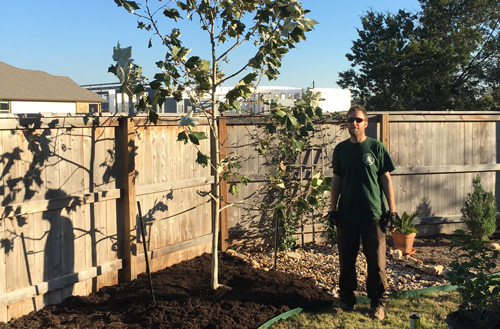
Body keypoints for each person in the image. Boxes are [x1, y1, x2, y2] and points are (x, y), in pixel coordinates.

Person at [330, 105, 397, 321]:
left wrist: (392, 210)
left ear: (366, 123)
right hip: (347, 215)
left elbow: (386, 178)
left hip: (373, 215)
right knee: (346, 261)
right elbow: (337, 179)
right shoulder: (340, 150)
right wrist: (332, 209)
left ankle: (378, 303)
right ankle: (346, 301)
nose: (354, 124)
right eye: (350, 120)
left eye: (358, 120)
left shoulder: (376, 148)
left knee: (376, 262)